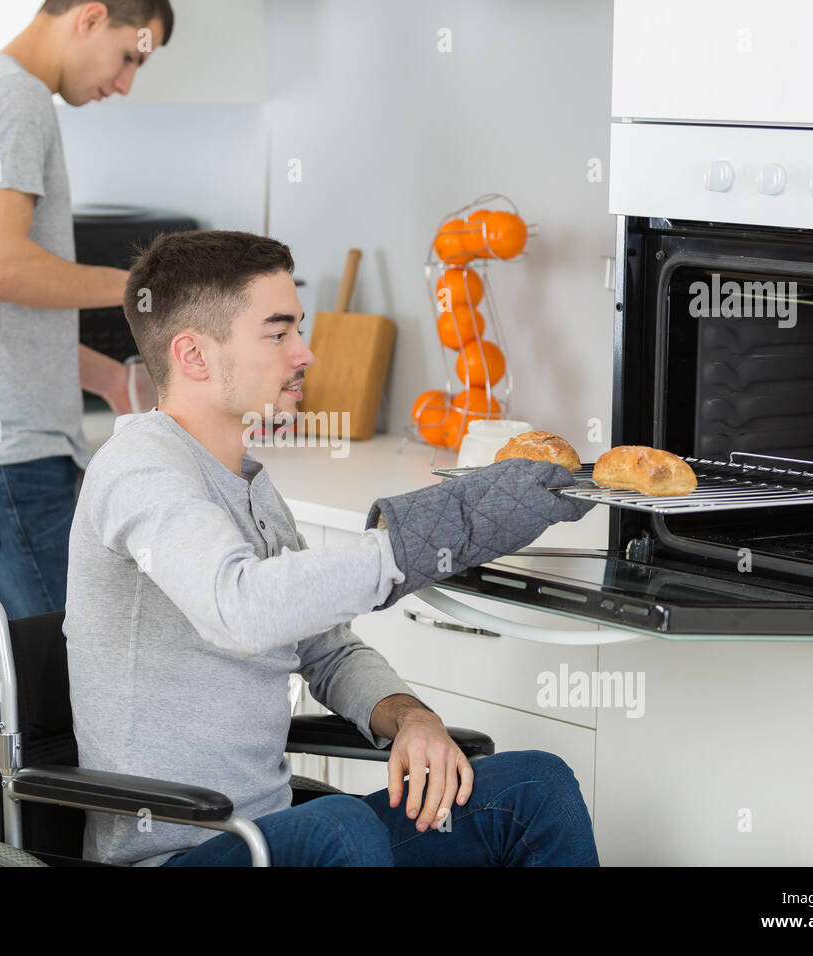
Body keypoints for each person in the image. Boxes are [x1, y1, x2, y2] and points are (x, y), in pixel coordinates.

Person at [64, 229, 601, 866]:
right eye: (278, 332)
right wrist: (420, 539)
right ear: (194, 355)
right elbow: (241, 609)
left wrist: (408, 716)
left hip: (272, 839)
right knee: (340, 826)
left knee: (536, 789)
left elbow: (324, 647)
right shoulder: (139, 469)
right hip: (177, 854)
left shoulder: (249, 484)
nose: (305, 353)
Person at [0, 0, 174, 851]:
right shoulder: (17, 102)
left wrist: (107, 379)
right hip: (7, 457)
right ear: (91, 16)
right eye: (130, 57)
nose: (126, 84)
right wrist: (148, 289)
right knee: (57, 689)